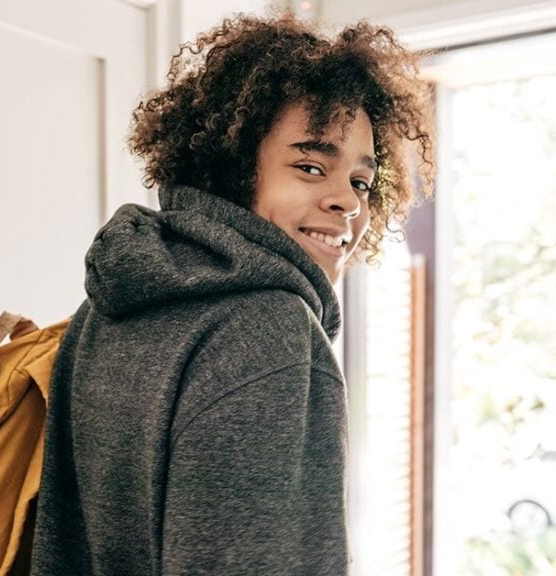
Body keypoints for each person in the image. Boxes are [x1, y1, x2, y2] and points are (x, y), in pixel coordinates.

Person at [30, 12, 432, 575]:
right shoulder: (270, 330)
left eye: (361, 181)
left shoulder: (107, 309)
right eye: (311, 166)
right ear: (232, 167)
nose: (349, 202)